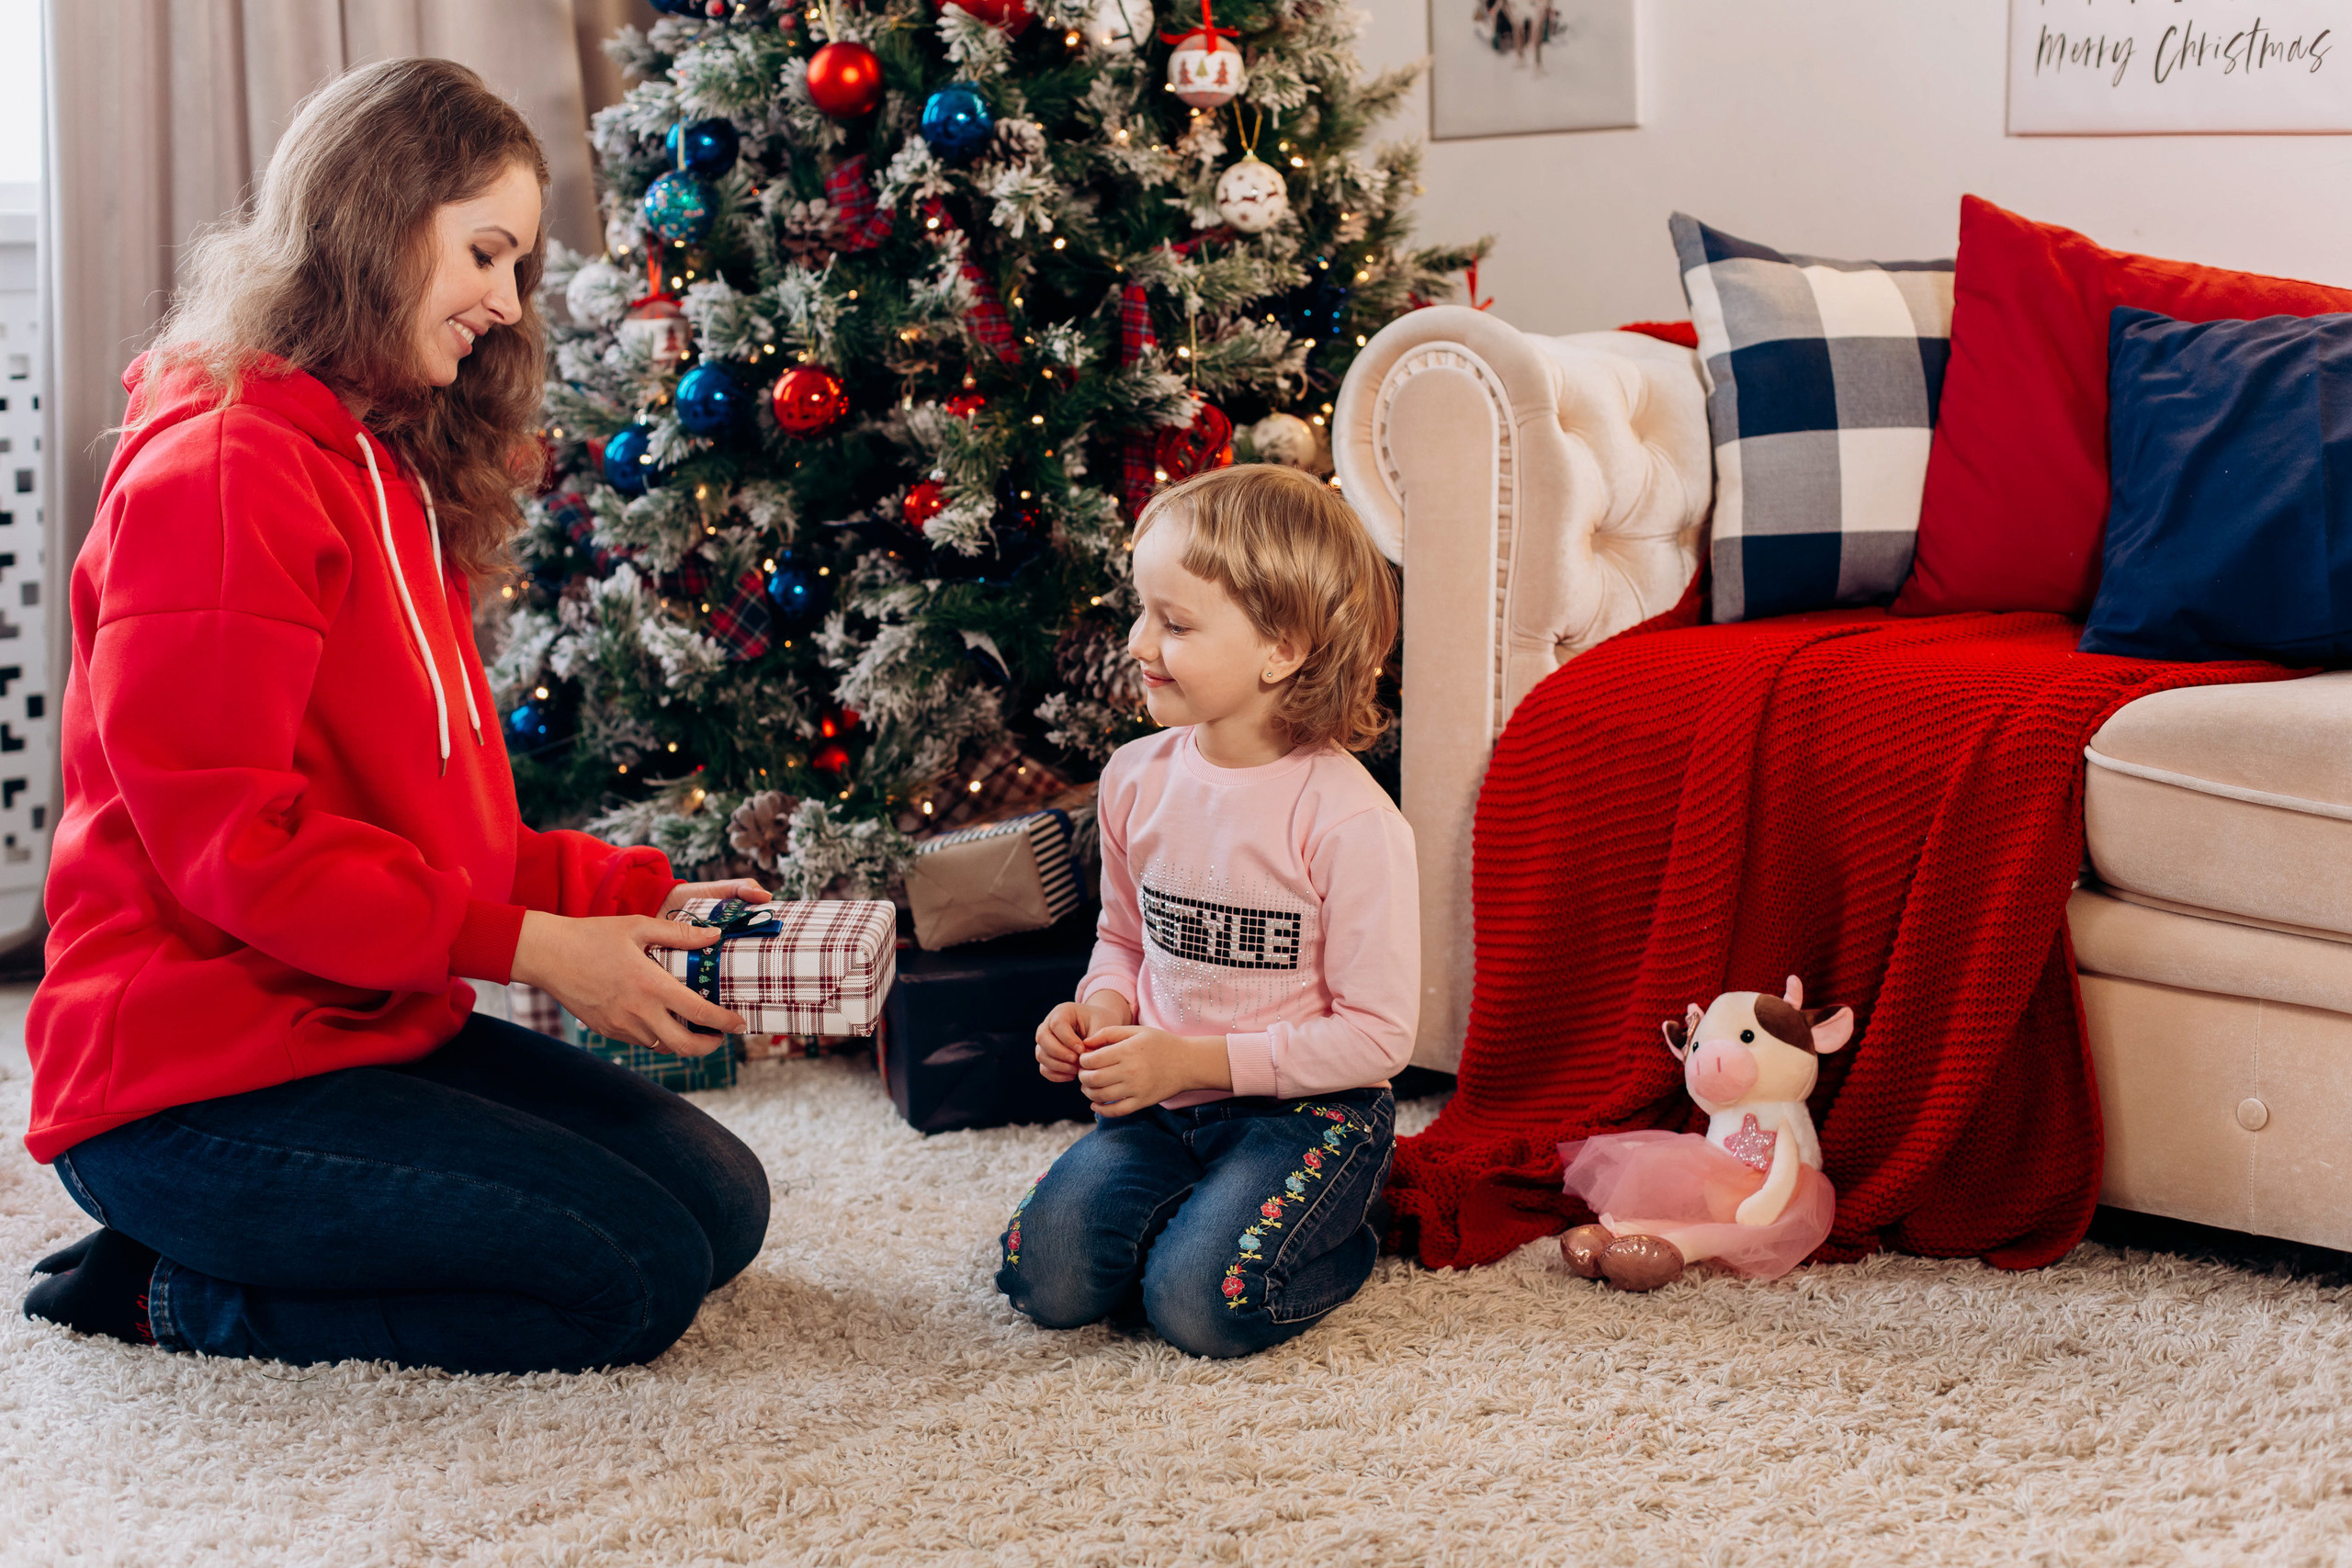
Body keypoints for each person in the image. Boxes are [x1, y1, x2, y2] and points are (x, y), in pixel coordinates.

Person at [18, 59, 771, 1375]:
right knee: (623, 1282)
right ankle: (157, 1291)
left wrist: (635, 897)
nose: (503, 300)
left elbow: (439, 826)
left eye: (518, 267)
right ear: (378, 213)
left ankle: (245, 1246)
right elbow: (236, 844)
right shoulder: (219, 470)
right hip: (185, 1086)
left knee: (718, 1203)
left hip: (355, 1023)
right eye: (484, 250)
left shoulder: (375, 463)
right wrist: (534, 947)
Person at [998, 464, 1419, 1359]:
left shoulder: (1346, 820)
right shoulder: (1132, 779)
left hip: (1309, 1112)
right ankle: (1200, 1210)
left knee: (1198, 1308)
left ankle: (1346, 1226)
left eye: (1177, 622)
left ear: (1283, 648)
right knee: (1048, 1281)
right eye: (1142, 611)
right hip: (1158, 1109)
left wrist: (1188, 1057)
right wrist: (1098, 1013)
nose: (1139, 643)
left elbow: (1380, 1039)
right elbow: (1120, 940)